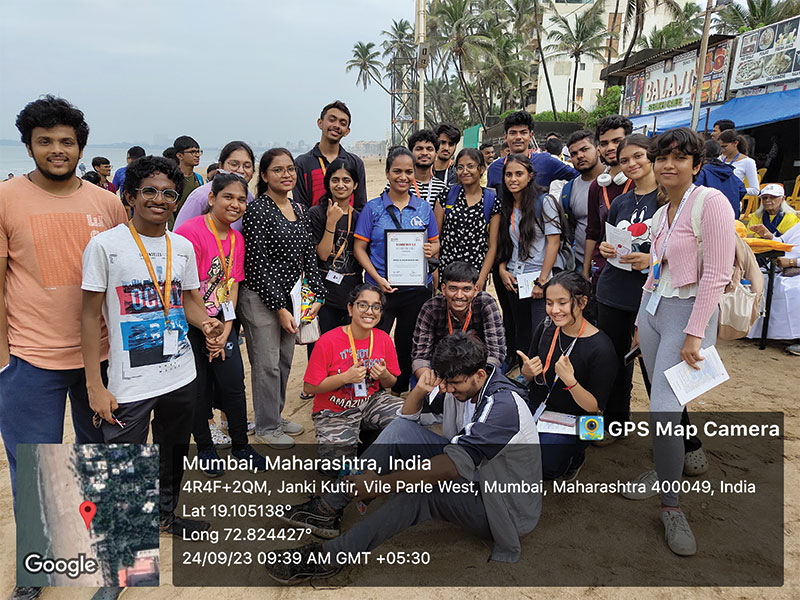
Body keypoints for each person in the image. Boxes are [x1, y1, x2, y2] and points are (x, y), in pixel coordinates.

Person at [270, 331, 541, 584]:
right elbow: (406, 419)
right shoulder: (460, 382)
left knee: (423, 492)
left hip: (504, 508)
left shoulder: (502, 407)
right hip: (476, 476)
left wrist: (381, 484)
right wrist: (421, 390)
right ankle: (328, 508)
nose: (446, 389)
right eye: (444, 382)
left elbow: (451, 467)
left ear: (480, 374)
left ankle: (333, 554)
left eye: (453, 383)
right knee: (401, 431)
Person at [81, 155, 225, 538]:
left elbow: (189, 301)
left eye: (168, 193)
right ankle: (124, 539)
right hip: (130, 381)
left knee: (172, 453)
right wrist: (95, 384)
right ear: (130, 195)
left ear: (177, 201)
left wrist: (207, 323)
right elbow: (88, 318)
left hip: (180, 373)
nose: (159, 199)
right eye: (149, 191)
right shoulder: (104, 247)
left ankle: (165, 514)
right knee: (124, 462)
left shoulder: (181, 247)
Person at [0, 95, 127, 504]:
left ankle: (112, 560)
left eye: (66, 141)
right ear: (28, 145)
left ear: (81, 148)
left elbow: (122, 280)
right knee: (39, 476)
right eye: (45, 140)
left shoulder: (106, 202)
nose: (57, 149)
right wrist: (4, 361)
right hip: (30, 360)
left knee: (109, 463)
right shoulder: (5, 199)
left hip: (104, 357)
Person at [629, 127, 735, 556]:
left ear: (696, 164)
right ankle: (668, 466)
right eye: (662, 157)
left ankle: (671, 507)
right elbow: (659, 267)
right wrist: (641, 317)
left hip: (686, 315)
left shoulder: (711, 203)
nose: (668, 165)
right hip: (654, 309)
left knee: (663, 412)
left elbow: (717, 273)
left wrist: (695, 332)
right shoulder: (662, 210)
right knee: (663, 400)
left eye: (679, 158)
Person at [174, 172, 267, 476]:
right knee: (198, 390)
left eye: (241, 199)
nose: (235, 204)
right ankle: (205, 448)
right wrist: (206, 327)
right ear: (212, 198)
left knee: (233, 385)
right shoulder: (190, 231)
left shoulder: (237, 239)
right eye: (228, 197)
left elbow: (233, 285)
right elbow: (185, 290)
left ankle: (240, 445)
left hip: (222, 324)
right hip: (192, 324)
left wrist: (225, 329)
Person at [238, 148, 325, 448]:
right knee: (266, 364)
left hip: (291, 298)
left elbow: (309, 256)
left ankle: (275, 415)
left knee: (286, 360)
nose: (286, 174)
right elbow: (257, 264)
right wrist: (278, 308)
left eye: (290, 169)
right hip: (260, 299)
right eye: (278, 170)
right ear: (264, 176)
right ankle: (265, 426)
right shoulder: (258, 211)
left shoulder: (300, 210)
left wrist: (316, 295)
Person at [353, 147, 439, 393]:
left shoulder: (423, 208)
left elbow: (435, 243)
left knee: (407, 342)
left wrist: (430, 250)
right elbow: (360, 248)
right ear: (387, 173)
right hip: (380, 289)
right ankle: (371, 388)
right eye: (397, 171)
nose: (403, 177)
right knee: (375, 340)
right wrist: (378, 279)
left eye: (408, 172)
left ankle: (400, 388)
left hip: (415, 289)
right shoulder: (373, 208)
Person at [594, 134, 661, 438]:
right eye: (624, 160)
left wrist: (652, 259)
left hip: (651, 297)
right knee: (615, 364)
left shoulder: (668, 198)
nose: (631, 164)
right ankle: (615, 423)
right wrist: (608, 249)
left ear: (651, 156)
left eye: (638, 156)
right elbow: (611, 240)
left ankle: (680, 439)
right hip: (612, 292)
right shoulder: (621, 201)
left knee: (655, 368)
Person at [518, 271, 615, 479]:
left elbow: (594, 407)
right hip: (540, 405)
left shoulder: (602, 348)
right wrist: (526, 373)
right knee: (506, 442)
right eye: (549, 302)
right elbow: (531, 375)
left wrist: (571, 381)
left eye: (562, 303)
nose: (554, 310)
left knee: (544, 462)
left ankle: (573, 459)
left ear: (582, 302)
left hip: (581, 419)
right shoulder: (546, 328)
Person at [304, 284, 403, 463]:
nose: (369, 312)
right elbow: (310, 386)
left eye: (376, 307)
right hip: (334, 410)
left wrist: (383, 374)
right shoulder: (328, 341)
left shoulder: (383, 339)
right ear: (351, 308)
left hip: (370, 402)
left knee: (406, 418)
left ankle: (369, 440)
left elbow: (391, 383)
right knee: (335, 467)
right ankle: (351, 447)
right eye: (363, 305)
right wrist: (345, 378)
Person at [497, 153, 565, 364]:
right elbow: (504, 244)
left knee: (541, 332)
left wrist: (542, 281)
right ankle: (525, 376)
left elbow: (553, 243)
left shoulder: (544, 202)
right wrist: (502, 270)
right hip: (515, 278)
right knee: (521, 330)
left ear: (530, 176)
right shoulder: (507, 205)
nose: (513, 179)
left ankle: (541, 377)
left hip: (539, 279)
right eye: (508, 175)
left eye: (519, 174)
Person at [412, 261, 505, 381]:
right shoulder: (431, 307)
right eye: (453, 288)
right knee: (420, 385)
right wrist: (431, 381)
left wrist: (472, 381)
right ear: (443, 289)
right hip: (441, 366)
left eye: (466, 289)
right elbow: (420, 357)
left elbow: (496, 353)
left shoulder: (486, 303)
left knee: (496, 378)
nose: (459, 295)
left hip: (477, 365)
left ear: (475, 290)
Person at [307, 157, 364, 342]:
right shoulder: (316, 213)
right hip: (323, 295)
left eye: (346, 180)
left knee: (347, 349)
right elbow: (322, 254)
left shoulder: (359, 217)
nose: (341, 185)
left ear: (355, 185)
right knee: (321, 349)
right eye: (335, 180)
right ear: (328, 183)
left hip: (351, 294)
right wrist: (331, 222)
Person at [434, 148, 500, 288]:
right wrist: (435, 274)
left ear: (481, 169)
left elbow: (492, 246)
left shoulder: (491, 200)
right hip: (447, 274)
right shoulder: (445, 196)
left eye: (470, 166)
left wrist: (481, 279)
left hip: (475, 274)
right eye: (460, 167)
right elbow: (435, 239)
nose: (465, 171)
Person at [584, 115, 634, 283]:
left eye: (617, 141)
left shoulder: (642, 183)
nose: (610, 148)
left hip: (635, 271)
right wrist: (586, 272)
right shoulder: (597, 187)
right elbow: (592, 232)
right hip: (603, 271)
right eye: (604, 143)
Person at [293, 100, 367, 210]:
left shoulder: (355, 163)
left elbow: (361, 206)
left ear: (347, 131)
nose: (336, 125)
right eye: (332, 120)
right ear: (320, 123)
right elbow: (300, 208)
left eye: (342, 123)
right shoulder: (302, 163)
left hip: (349, 225)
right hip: (314, 225)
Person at [174, 141, 256, 232]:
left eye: (247, 166)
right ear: (221, 165)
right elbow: (179, 233)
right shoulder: (201, 196)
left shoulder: (249, 197)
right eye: (234, 164)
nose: (241, 170)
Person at [486, 111, 578, 192]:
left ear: (531, 136)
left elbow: (579, 176)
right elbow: (491, 201)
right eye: (513, 133)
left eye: (523, 132)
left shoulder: (546, 162)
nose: (518, 137)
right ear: (505, 137)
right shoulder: (494, 168)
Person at [747, 222, 800, 355]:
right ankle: (747, 329)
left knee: (793, 291)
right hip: (782, 268)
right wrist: (769, 236)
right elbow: (783, 242)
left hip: (794, 268)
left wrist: (794, 262)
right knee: (759, 280)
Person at [556, 130, 604, 274]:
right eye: (574, 154)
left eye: (584, 149)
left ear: (598, 150)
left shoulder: (616, 181)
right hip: (580, 262)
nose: (580, 156)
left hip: (614, 265)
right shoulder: (569, 190)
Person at [695, 139, 746, 218]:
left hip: (708, 217)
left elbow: (693, 191)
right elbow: (742, 190)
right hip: (731, 217)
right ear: (720, 153)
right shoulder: (729, 172)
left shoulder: (702, 172)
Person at [407, 129, 449, 209]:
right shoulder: (400, 184)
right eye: (419, 149)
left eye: (429, 149)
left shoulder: (442, 189)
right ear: (410, 153)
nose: (424, 153)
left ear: (436, 154)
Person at [718, 129, 760, 196]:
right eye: (720, 147)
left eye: (724, 146)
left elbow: (755, 190)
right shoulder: (719, 159)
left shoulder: (748, 162)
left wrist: (735, 190)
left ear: (735, 143)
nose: (722, 150)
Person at [173, 135, 204, 213]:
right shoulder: (173, 178)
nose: (197, 155)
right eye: (192, 152)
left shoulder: (198, 178)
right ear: (180, 156)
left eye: (198, 152)